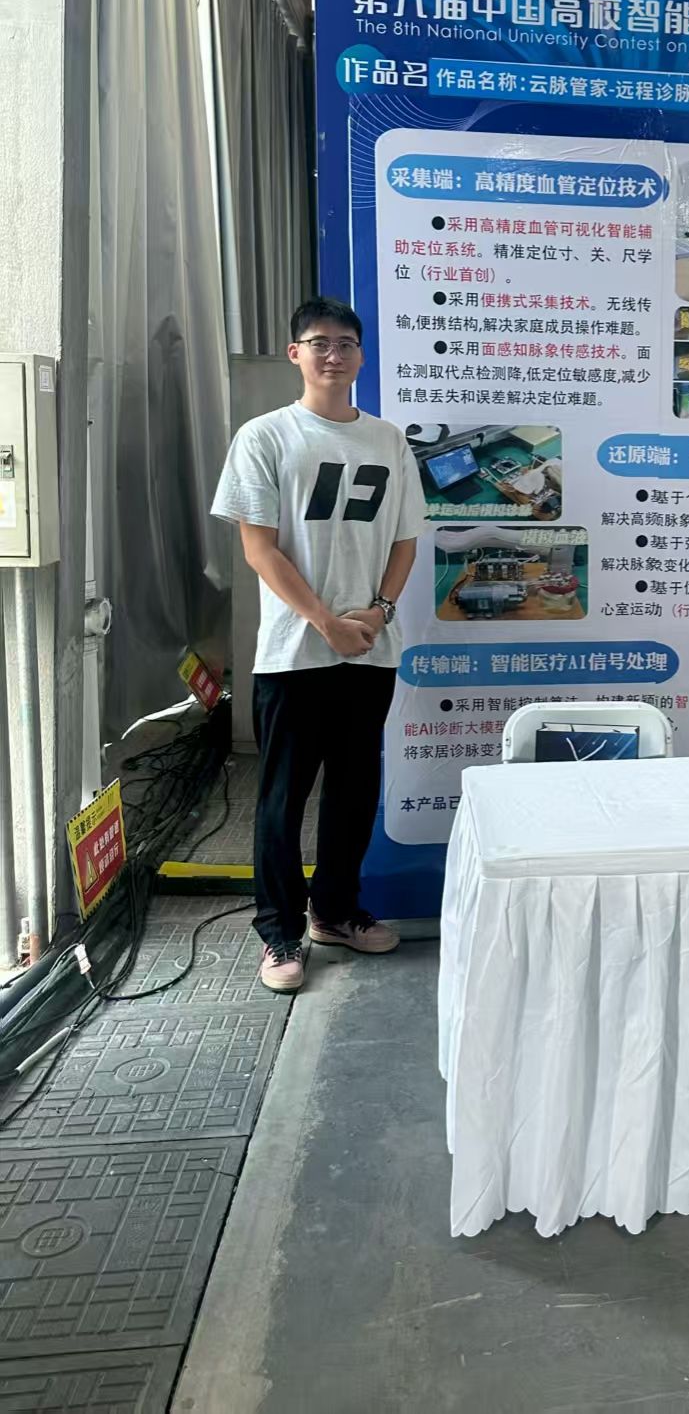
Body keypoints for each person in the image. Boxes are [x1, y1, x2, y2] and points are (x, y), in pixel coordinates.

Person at [211, 298, 427, 993]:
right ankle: (279, 933)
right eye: (319, 342)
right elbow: (260, 549)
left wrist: (379, 611)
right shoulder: (265, 436)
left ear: (361, 355)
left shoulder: (388, 440)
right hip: (294, 654)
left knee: (354, 791)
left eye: (346, 343)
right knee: (282, 799)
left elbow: (405, 539)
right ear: (295, 353)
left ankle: (335, 912)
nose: (334, 354)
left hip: (369, 648)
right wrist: (325, 621)